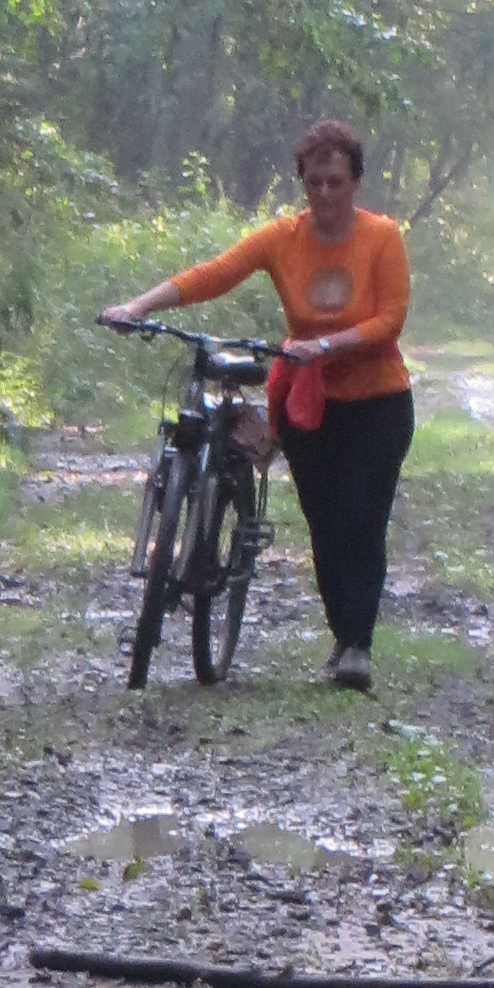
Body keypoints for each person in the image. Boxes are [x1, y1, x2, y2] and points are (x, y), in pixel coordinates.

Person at [105, 120, 413, 691]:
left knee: (361, 519)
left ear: (355, 182)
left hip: (378, 403)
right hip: (309, 402)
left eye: (335, 181)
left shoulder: (382, 237)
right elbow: (214, 274)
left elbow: (390, 319)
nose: (324, 193)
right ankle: (344, 635)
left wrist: (326, 345)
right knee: (324, 521)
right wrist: (138, 306)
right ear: (303, 183)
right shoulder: (282, 238)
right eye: (314, 182)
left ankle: (359, 645)